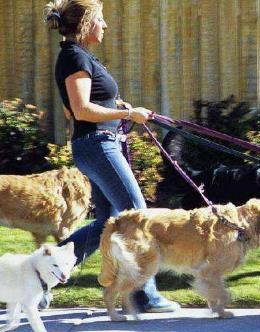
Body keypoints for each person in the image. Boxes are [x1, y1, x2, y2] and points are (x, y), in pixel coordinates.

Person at [44, 0, 179, 313]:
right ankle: (145, 296)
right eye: (101, 20)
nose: (104, 26)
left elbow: (71, 108)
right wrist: (127, 112)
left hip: (98, 143)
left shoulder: (76, 56)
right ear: (88, 22)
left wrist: (115, 107)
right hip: (98, 144)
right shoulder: (75, 56)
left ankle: (43, 272)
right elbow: (79, 110)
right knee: (137, 215)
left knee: (108, 222)